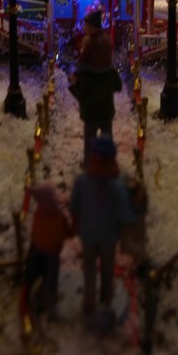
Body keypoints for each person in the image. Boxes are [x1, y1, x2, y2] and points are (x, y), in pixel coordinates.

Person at [70, 135, 135, 322]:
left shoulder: (82, 182)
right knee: (107, 267)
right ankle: (106, 298)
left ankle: (89, 299)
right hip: (108, 236)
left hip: (88, 234)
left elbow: (74, 206)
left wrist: (77, 221)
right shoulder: (117, 187)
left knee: (89, 266)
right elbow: (124, 214)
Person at [68, 10, 122, 166]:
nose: (84, 27)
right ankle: (108, 162)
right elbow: (118, 86)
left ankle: (89, 164)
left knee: (90, 139)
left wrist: (74, 82)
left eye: (86, 24)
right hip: (106, 109)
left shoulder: (85, 74)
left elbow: (80, 92)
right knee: (107, 135)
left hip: (91, 111)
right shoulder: (109, 70)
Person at [21, 185, 73, 317]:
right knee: (51, 276)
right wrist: (74, 227)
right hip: (52, 252)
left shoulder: (39, 213)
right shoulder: (58, 216)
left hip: (39, 247)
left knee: (44, 273)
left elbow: (35, 230)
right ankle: (49, 301)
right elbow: (66, 233)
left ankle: (38, 296)